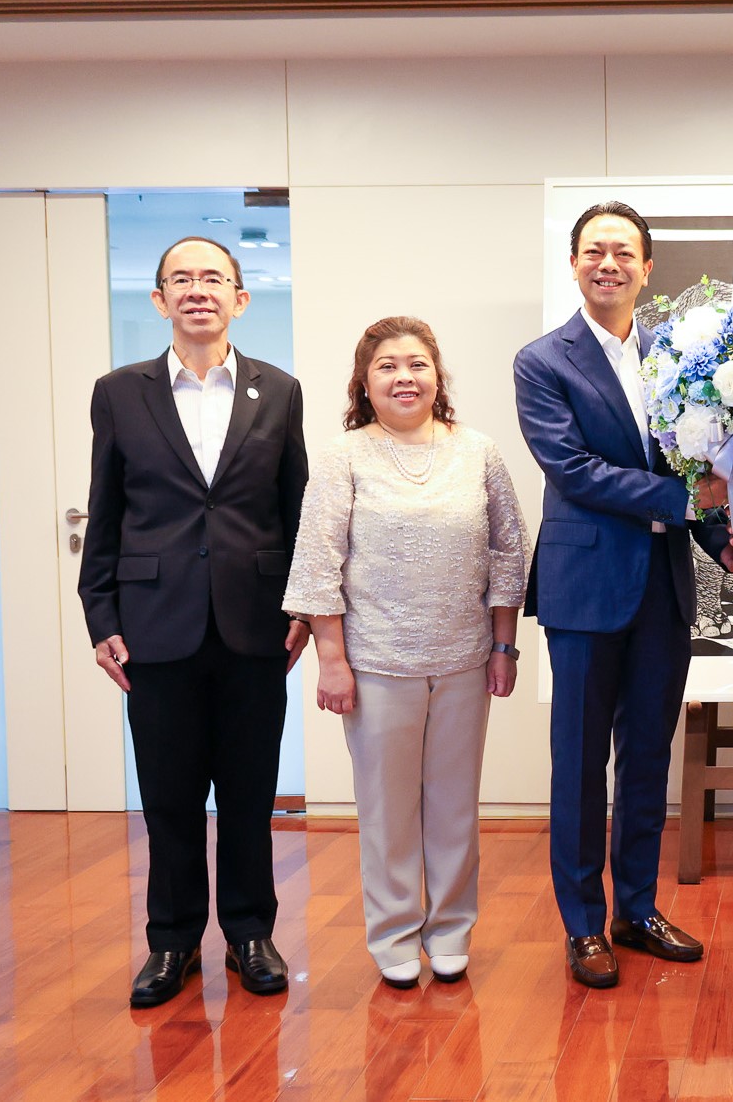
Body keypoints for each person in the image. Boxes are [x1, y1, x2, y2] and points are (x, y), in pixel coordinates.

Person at [514, 201, 733, 990]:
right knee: (580, 764)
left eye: (623, 252)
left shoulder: (674, 358)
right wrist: (685, 502)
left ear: (648, 269)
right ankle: (584, 924)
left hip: (662, 587)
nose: (607, 263)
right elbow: (572, 469)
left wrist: (723, 540)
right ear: (573, 265)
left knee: (648, 755)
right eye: (594, 251)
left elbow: (691, 468)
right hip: (585, 587)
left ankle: (637, 910)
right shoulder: (542, 362)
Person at [78, 236, 308, 1008]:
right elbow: (105, 510)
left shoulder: (279, 390)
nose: (197, 290)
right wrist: (100, 615)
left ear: (241, 297)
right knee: (169, 796)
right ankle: (172, 941)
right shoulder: (120, 392)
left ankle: (250, 933)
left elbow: (297, 510)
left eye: (214, 277)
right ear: (159, 299)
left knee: (249, 791)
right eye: (181, 279)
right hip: (154, 624)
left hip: (256, 622)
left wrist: (304, 607)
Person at [283, 316, 527, 988]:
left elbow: (509, 552)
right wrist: (332, 660)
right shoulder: (344, 456)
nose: (404, 377)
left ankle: (450, 929)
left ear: (437, 376)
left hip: (464, 659)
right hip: (376, 663)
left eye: (417, 364)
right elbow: (318, 562)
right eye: (387, 366)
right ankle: (393, 934)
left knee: (454, 806)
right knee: (387, 810)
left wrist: (504, 645)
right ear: (364, 382)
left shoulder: (479, 452)